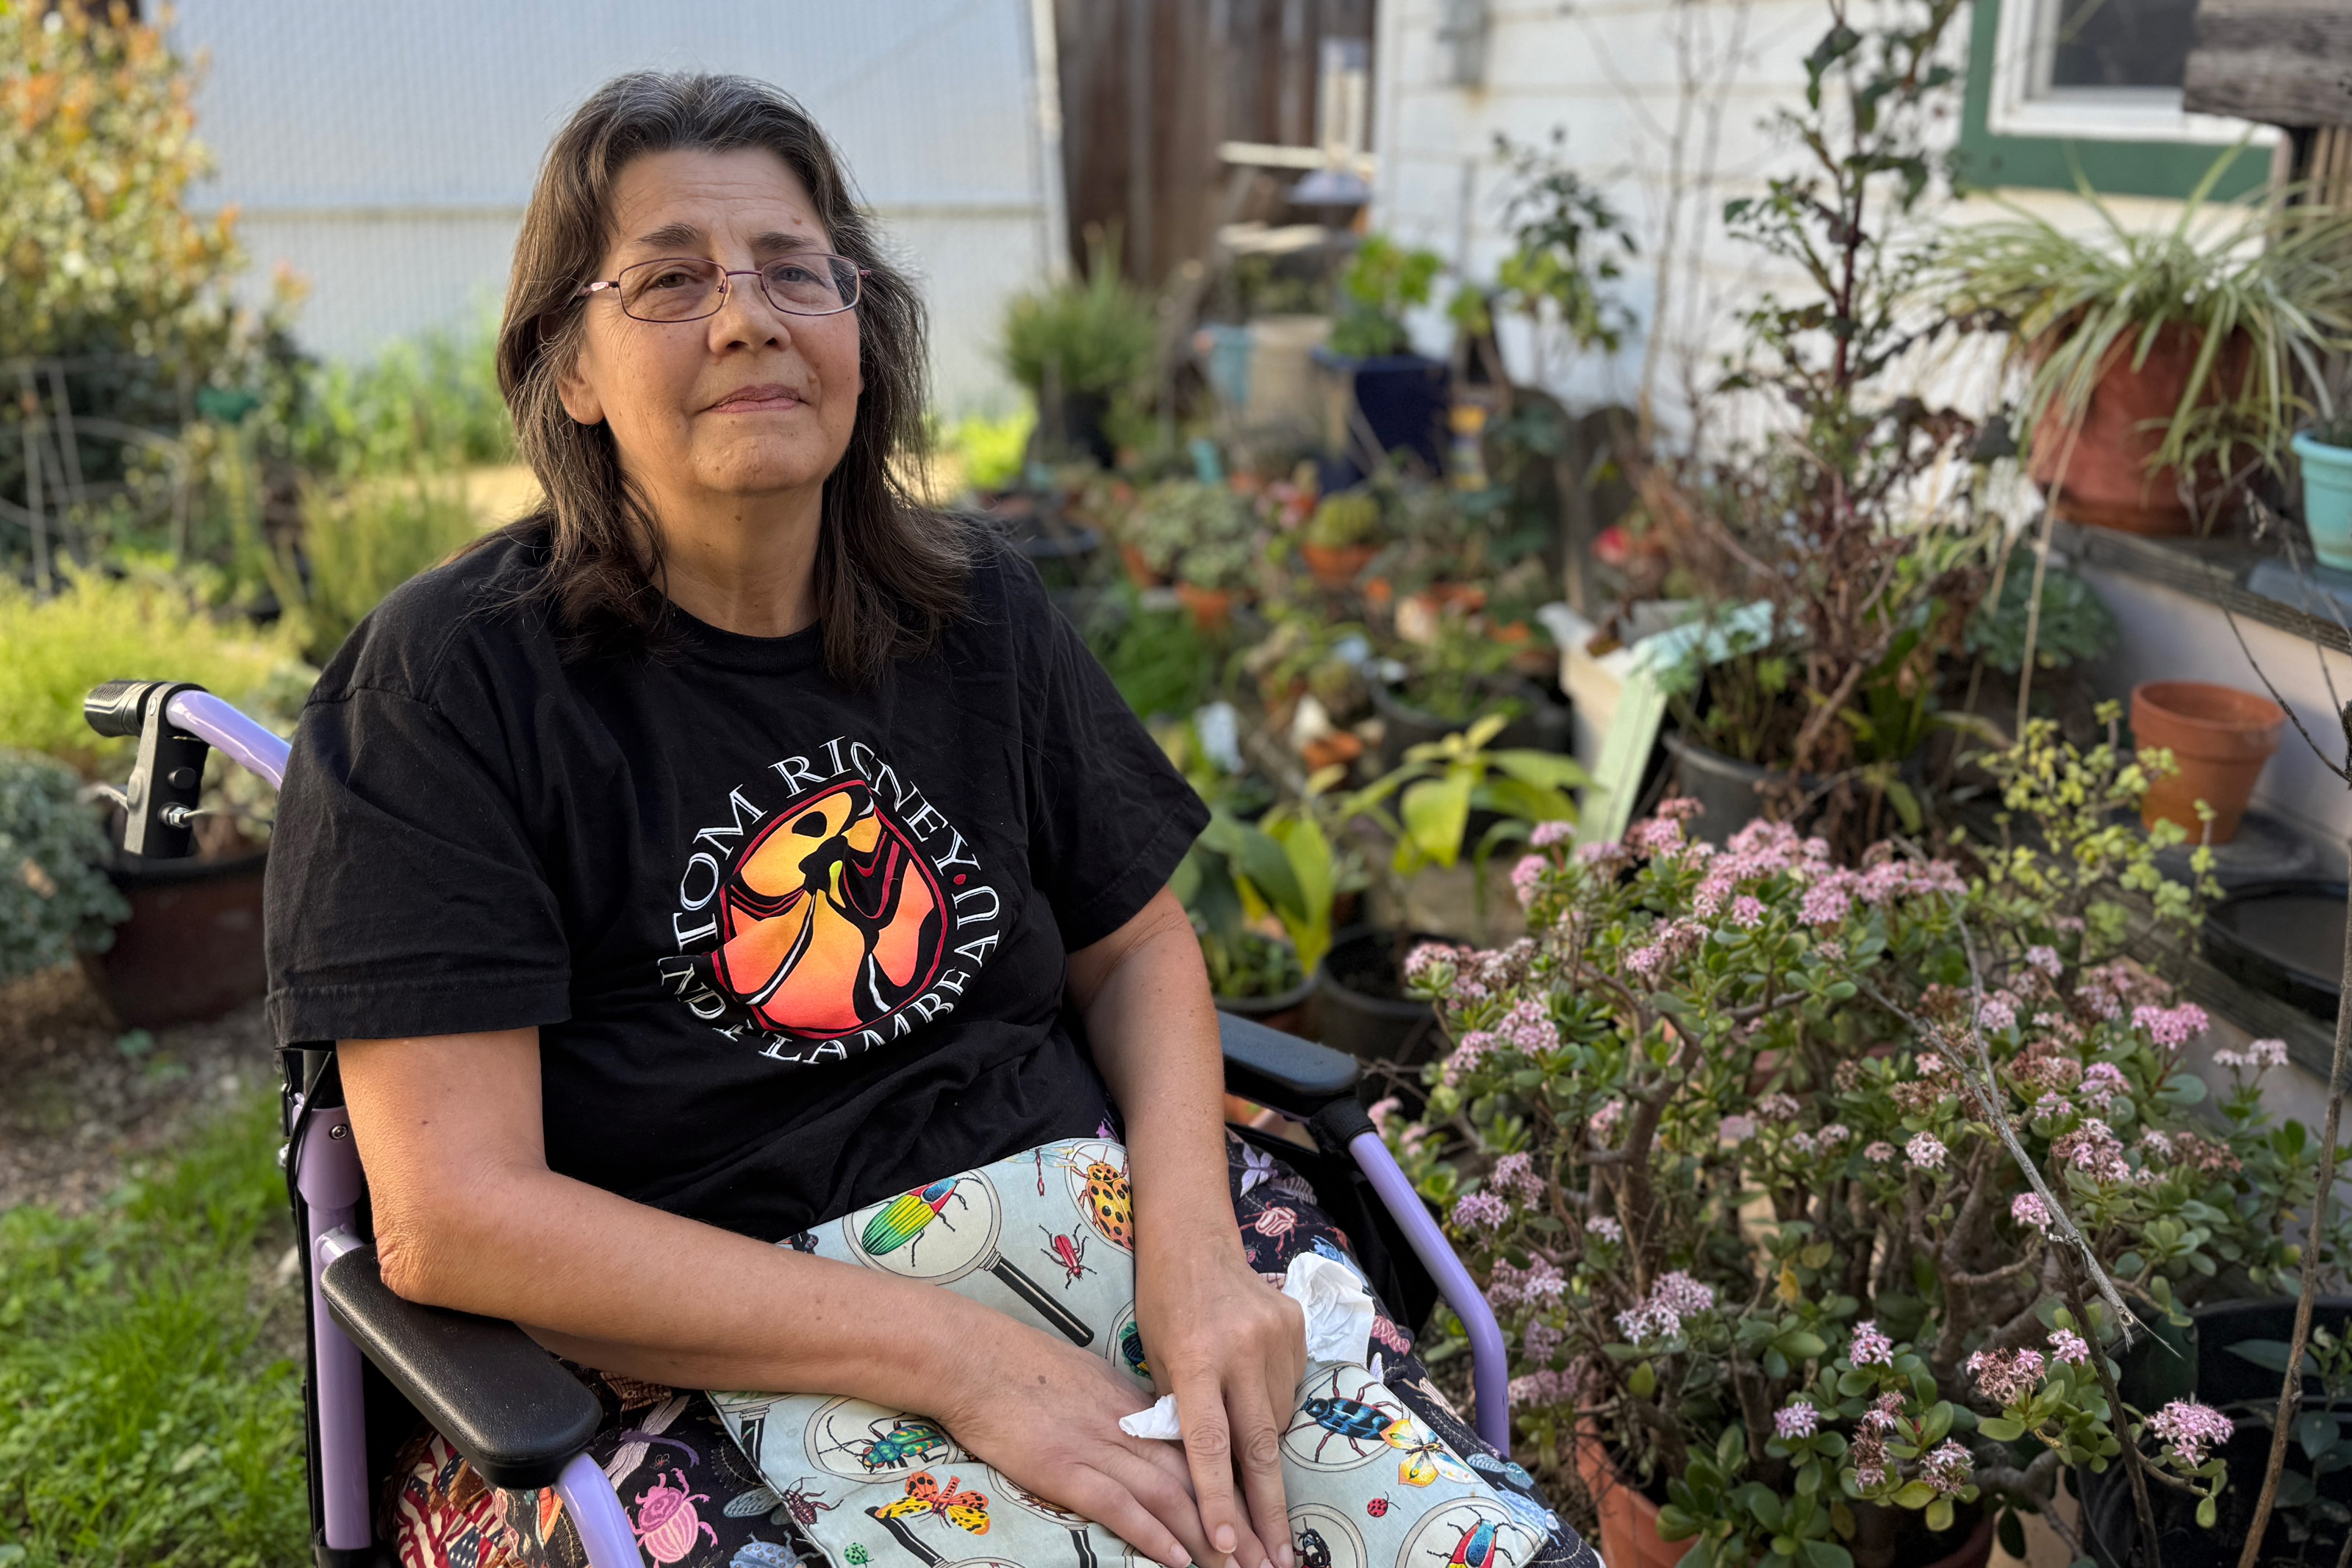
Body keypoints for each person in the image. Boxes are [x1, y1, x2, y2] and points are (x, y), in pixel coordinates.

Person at [265, 71, 1587, 1568]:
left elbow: (1138, 946)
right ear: (568, 364)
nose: (749, 316)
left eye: (794, 269)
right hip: (685, 1328)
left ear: (860, 330)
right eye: (670, 277)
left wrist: (1200, 1258)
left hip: (1079, 1217)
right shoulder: (448, 685)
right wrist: (963, 1357)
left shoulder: (973, 606)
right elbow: (458, 1216)